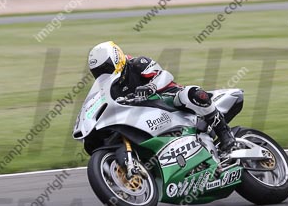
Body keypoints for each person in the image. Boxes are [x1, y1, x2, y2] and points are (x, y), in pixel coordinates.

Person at [87, 40, 235, 152]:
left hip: (167, 99)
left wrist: (150, 87)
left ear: (116, 59)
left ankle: (224, 132)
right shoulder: (110, 87)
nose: (102, 74)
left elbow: (164, 75)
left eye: (105, 68)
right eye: (98, 71)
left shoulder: (137, 63)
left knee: (191, 94)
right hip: (143, 115)